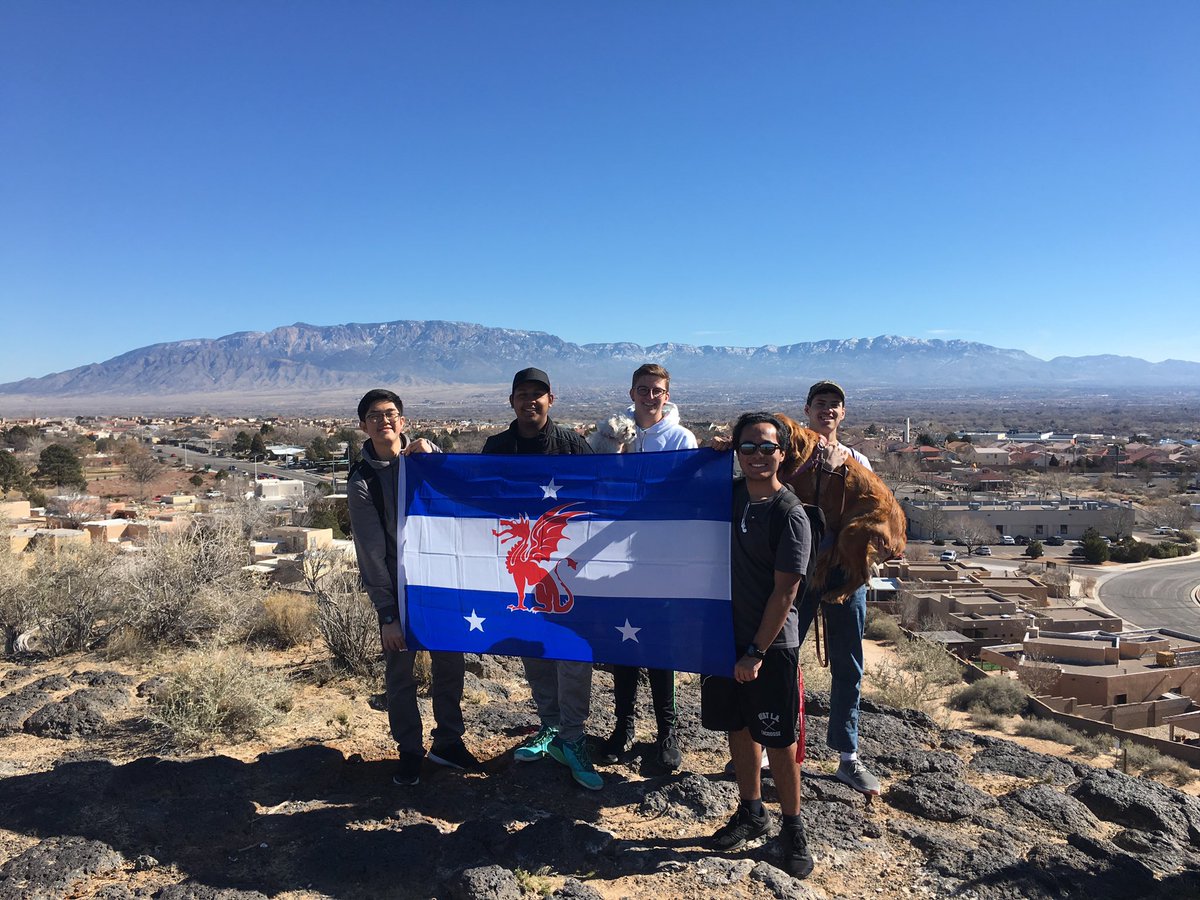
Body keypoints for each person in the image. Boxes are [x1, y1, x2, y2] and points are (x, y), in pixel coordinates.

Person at [702, 412, 814, 880]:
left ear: (782, 454)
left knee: (780, 740)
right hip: (723, 639)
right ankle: (751, 811)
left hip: (770, 647)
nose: (756, 455)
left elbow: (785, 592)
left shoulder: (790, 516)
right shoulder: (728, 497)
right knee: (739, 729)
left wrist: (756, 652)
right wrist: (702, 457)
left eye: (766, 447)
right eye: (747, 447)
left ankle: (793, 827)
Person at [346, 388, 478, 786]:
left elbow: (459, 497)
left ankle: (448, 742)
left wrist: (434, 457)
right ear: (363, 426)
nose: (384, 421)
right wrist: (387, 613)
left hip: (438, 580)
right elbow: (370, 553)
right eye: (374, 415)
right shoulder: (362, 480)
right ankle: (409, 749)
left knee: (450, 662)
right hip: (397, 588)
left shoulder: (425, 459)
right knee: (399, 668)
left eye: (390, 414)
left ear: (402, 421)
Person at [481, 367, 601, 790]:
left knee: (571, 652)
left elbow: (602, 489)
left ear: (551, 399)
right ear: (510, 400)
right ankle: (549, 726)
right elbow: (477, 496)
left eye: (538, 394)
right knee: (533, 647)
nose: (530, 401)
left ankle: (574, 736)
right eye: (522, 394)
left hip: (566, 570)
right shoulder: (497, 447)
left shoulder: (571, 445)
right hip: (516, 568)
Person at [599, 363, 697, 771]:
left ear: (667, 394)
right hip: (618, 556)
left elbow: (690, 491)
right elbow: (601, 484)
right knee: (623, 645)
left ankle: (667, 730)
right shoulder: (613, 434)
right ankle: (624, 726)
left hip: (661, 558)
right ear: (632, 392)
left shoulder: (680, 438)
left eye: (657, 390)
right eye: (643, 389)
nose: (650, 396)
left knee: (660, 646)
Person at [797, 380, 880, 796]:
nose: (827, 410)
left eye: (835, 405)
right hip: (798, 570)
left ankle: (847, 755)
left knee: (849, 661)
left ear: (842, 413)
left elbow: (873, 512)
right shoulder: (792, 455)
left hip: (846, 572)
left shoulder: (860, 460)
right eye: (820, 404)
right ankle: (772, 742)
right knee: (781, 654)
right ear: (807, 410)